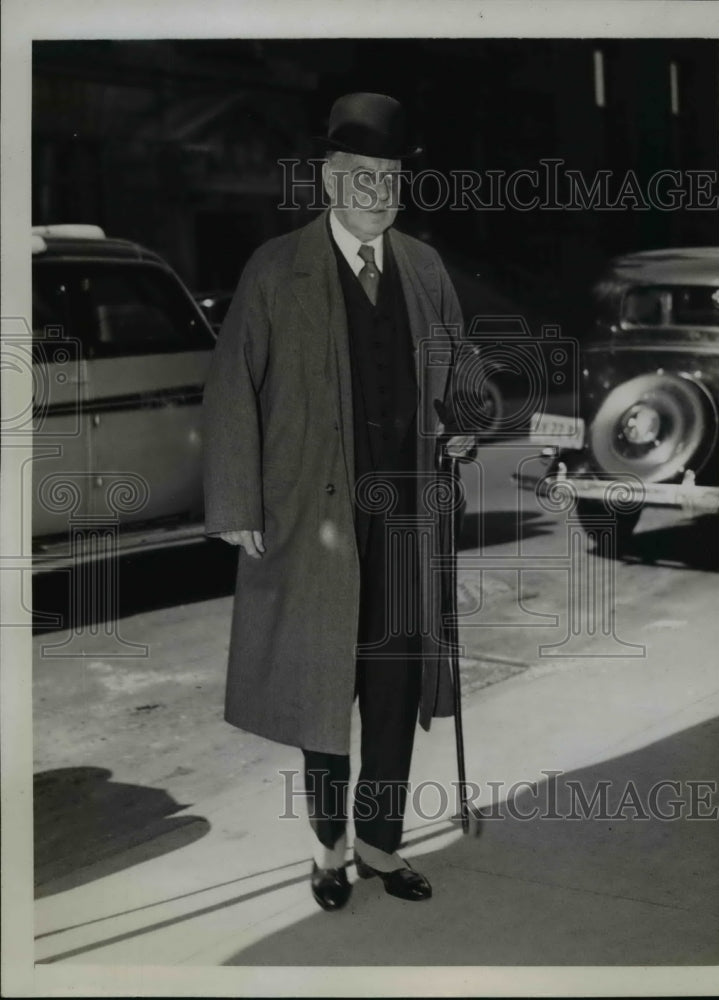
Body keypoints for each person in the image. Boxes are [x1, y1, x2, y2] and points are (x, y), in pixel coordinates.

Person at [203, 92, 474, 912]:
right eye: (358, 175)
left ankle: (379, 847)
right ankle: (325, 852)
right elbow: (229, 392)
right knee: (323, 689)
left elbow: (460, 368)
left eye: (387, 176)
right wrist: (237, 502)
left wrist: (464, 420)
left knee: (393, 686)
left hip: (403, 518)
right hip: (313, 520)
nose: (374, 190)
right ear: (327, 179)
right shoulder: (275, 268)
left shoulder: (423, 267)